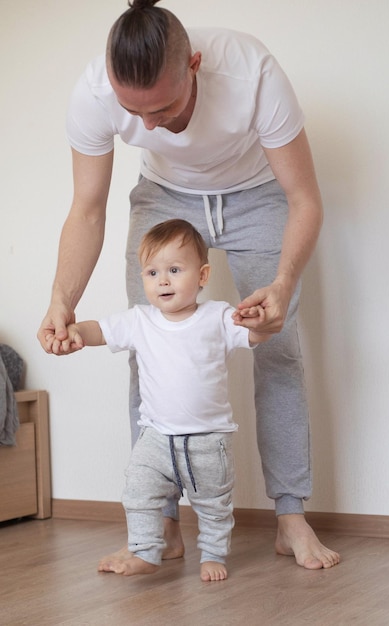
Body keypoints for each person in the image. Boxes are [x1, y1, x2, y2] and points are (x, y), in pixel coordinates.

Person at [38, 0, 340, 569]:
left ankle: (291, 518)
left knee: (278, 346)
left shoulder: (252, 73)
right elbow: (87, 208)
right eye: (136, 112)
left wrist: (281, 282)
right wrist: (62, 301)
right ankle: (162, 527)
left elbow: (304, 198)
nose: (150, 126)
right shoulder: (94, 94)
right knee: (146, 347)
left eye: (164, 107)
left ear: (195, 64)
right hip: (166, 196)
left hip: (257, 192)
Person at [49, 219, 270, 581]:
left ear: (202, 276)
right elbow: (101, 330)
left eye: (174, 270)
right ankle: (147, 550)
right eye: (152, 272)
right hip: (155, 437)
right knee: (138, 491)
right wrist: (74, 332)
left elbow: (255, 336)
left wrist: (259, 321)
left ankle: (213, 554)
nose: (162, 280)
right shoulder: (140, 320)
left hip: (208, 439)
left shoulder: (217, 316)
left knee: (213, 504)